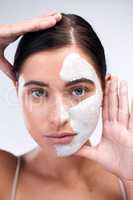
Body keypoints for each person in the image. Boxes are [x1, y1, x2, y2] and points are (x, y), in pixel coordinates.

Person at [0, 11, 133, 200]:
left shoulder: (128, 177)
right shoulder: (4, 177)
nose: (58, 117)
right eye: (38, 93)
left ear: (105, 90)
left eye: (78, 91)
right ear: (17, 92)